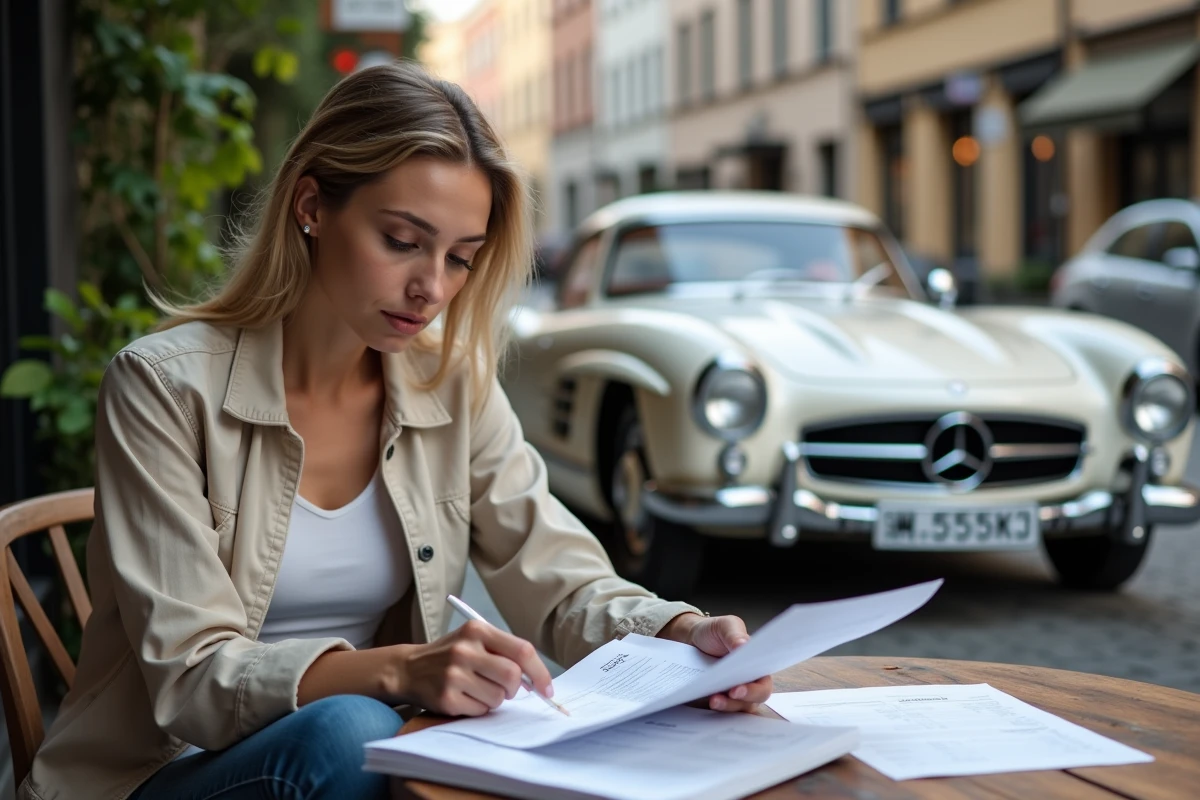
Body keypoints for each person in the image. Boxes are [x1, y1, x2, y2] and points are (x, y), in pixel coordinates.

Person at [18, 62, 772, 800]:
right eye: (403, 241)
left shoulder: (451, 384)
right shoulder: (162, 386)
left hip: (367, 754)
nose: (431, 288)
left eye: (460, 258)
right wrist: (402, 670)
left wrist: (678, 633)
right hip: (159, 773)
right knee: (349, 732)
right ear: (312, 206)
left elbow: (557, 576)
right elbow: (191, 677)